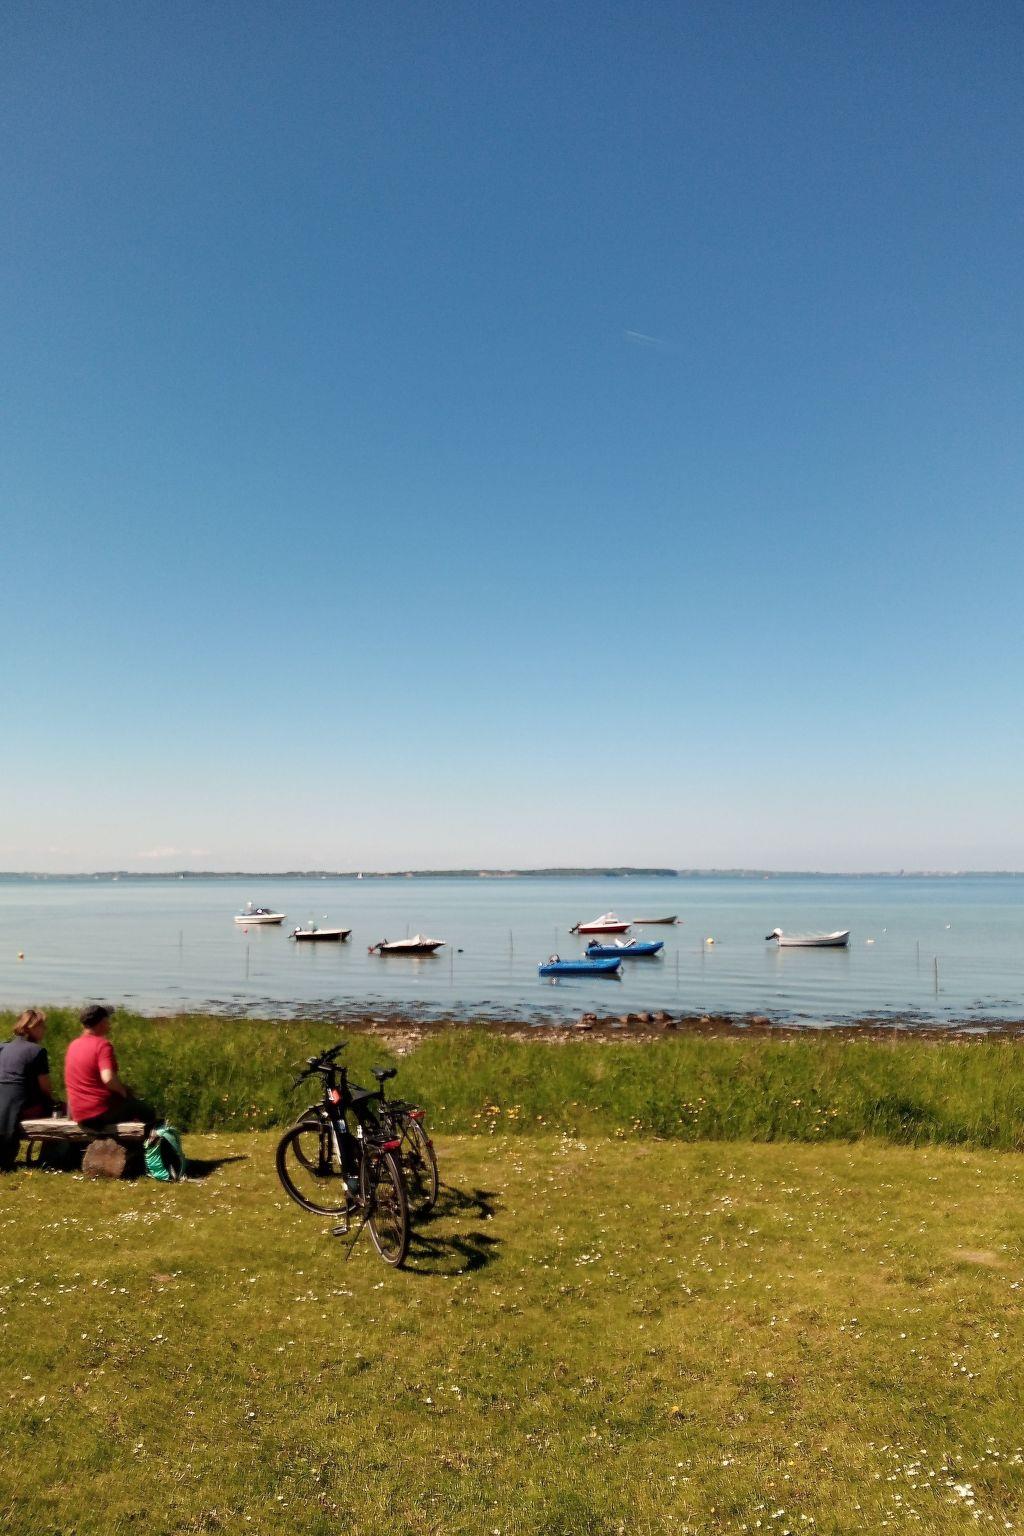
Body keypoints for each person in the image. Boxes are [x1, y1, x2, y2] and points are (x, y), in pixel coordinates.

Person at [64, 1004, 157, 1131]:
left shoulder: (73, 1046)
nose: (109, 1023)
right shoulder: (102, 1045)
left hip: (79, 1114)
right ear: (102, 1022)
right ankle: (151, 1143)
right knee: (146, 1111)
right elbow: (108, 1079)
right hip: (99, 1113)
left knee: (129, 1103)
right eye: (107, 1020)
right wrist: (123, 1092)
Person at [0, 1009, 54, 1171]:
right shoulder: (37, 1051)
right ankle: (54, 1157)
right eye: (42, 1026)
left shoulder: (2, 1047)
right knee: (59, 1110)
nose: (45, 1029)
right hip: (22, 1104)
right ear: (31, 1027)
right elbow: (45, 1088)